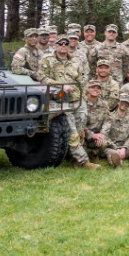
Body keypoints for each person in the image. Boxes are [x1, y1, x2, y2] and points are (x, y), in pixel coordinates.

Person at [38, 36, 96, 169]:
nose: (63, 45)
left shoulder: (75, 62)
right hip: (60, 101)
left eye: (66, 43)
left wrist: (83, 98)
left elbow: (81, 80)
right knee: (72, 131)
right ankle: (84, 161)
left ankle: (74, 159)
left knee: (80, 131)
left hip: (78, 100)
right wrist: (61, 86)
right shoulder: (47, 60)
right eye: (60, 43)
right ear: (55, 45)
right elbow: (42, 78)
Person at [104, 95, 129, 168]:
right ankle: (118, 163)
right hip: (112, 147)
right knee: (112, 154)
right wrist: (116, 148)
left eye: (127, 103)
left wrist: (124, 147)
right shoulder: (109, 117)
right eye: (122, 102)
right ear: (118, 102)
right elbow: (105, 135)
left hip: (126, 148)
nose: (124, 105)